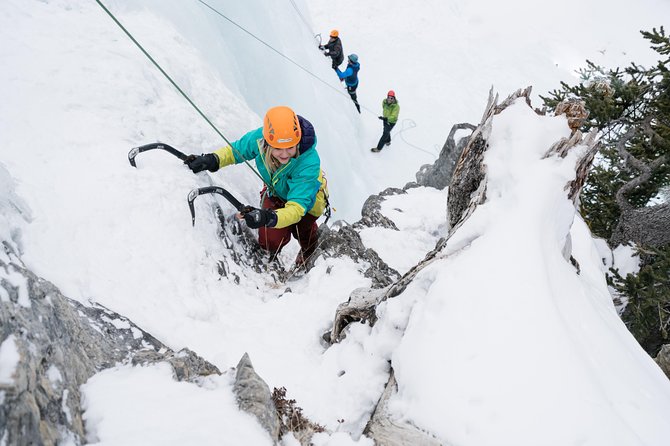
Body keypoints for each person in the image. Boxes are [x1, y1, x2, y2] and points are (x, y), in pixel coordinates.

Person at [185, 106, 328, 267]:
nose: (285, 154)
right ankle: (272, 254)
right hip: (277, 192)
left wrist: (269, 217)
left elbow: (296, 209)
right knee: (270, 240)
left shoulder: (309, 161)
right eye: (278, 148)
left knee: (303, 230)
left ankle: (308, 254)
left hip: (307, 201)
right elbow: (236, 151)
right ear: (268, 142)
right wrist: (213, 160)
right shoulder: (260, 139)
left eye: (290, 147)